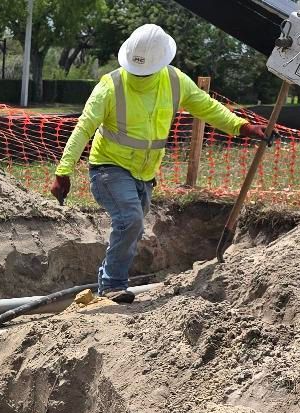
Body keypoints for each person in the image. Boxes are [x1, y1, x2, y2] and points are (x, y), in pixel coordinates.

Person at [51, 23, 272, 303]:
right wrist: (63, 171)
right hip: (108, 167)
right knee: (130, 220)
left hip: (144, 174)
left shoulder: (175, 80)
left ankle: (109, 279)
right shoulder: (110, 86)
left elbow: (207, 106)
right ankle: (112, 284)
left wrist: (242, 126)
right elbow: (83, 128)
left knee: (134, 224)